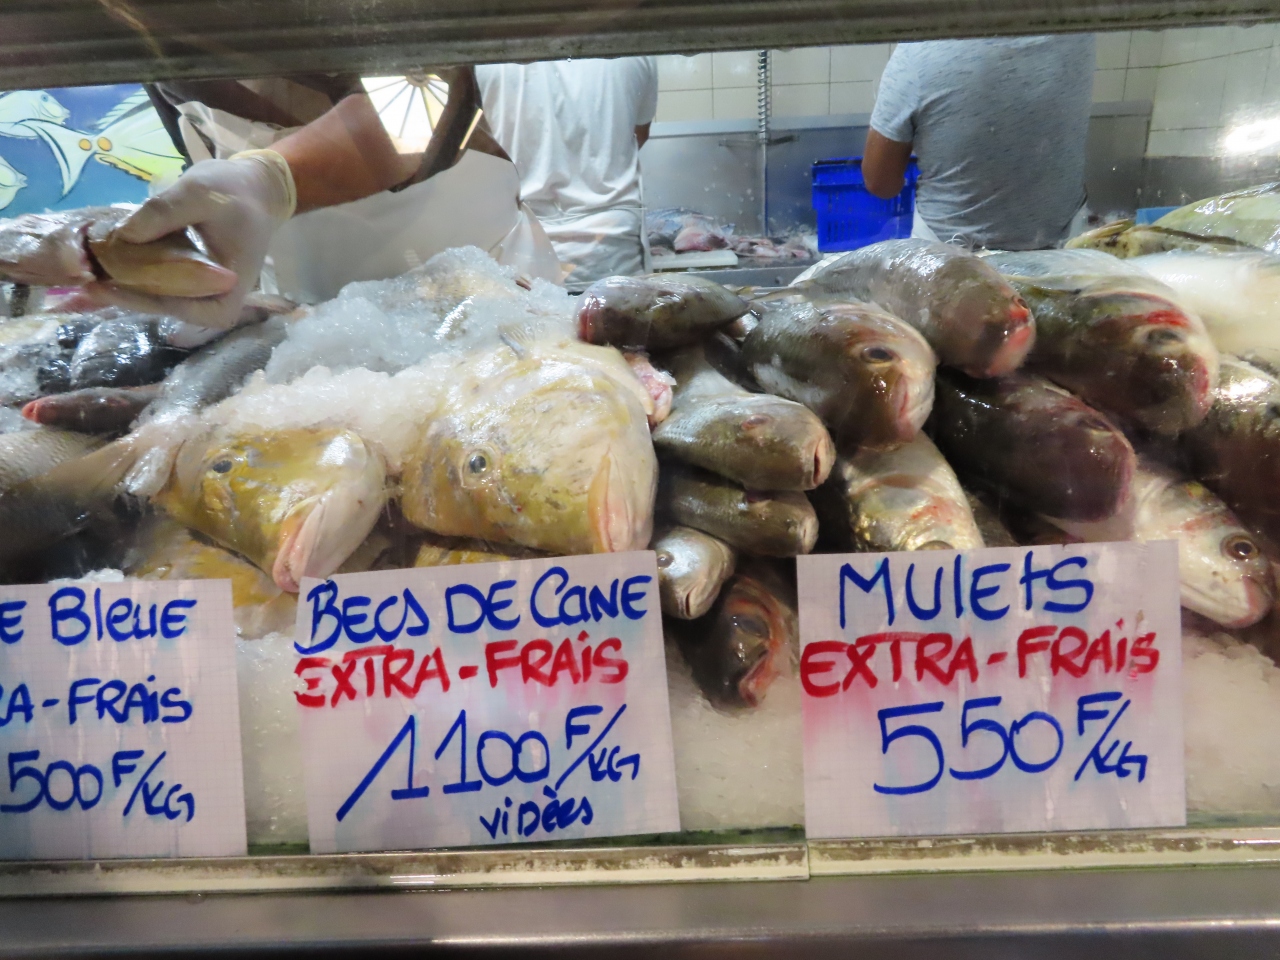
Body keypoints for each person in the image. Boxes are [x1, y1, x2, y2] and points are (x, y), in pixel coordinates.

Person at [72, 74, 558, 326]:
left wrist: (271, 180)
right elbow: (195, 134)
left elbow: (424, 102)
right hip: (303, 329)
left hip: (487, 303)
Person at [861, 35, 1096, 250]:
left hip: (951, 260)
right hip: (1063, 255)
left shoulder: (920, 50)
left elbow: (880, 182)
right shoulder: (1075, 31)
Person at [475, 57, 658, 285]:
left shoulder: (485, 51)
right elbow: (638, 134)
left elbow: (480, 150)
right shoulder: (634, 47)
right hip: (612, 252)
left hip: (522, 256)